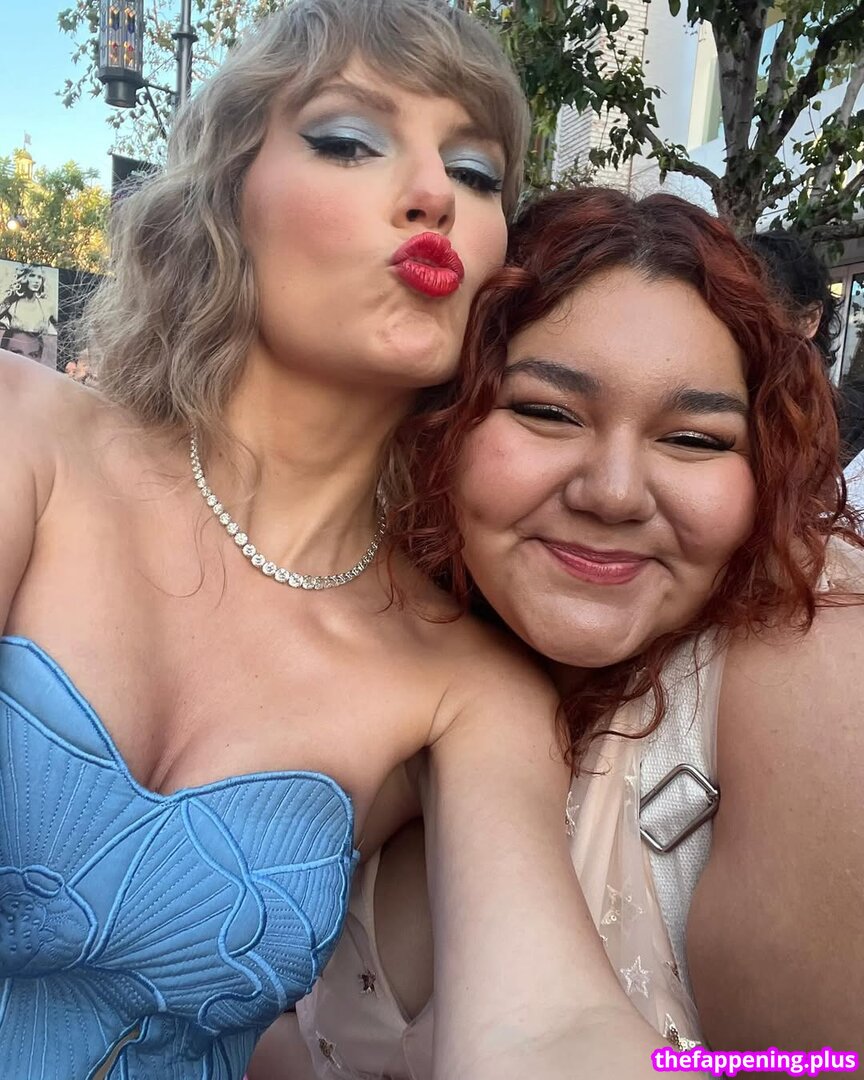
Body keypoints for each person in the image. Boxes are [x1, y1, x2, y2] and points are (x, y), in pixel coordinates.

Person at [0, 6, 666, 1080]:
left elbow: (550, 1023)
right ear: (227, 197)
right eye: (350, 142)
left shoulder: (464, 684)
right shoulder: (24, 439)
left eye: (477, 173)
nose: (434, 192)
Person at [281, 188, 864, 1078]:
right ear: (440, 425)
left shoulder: (813, 668)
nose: (615, 493)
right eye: (549, 412)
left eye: (695, 439)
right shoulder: (383, 627)